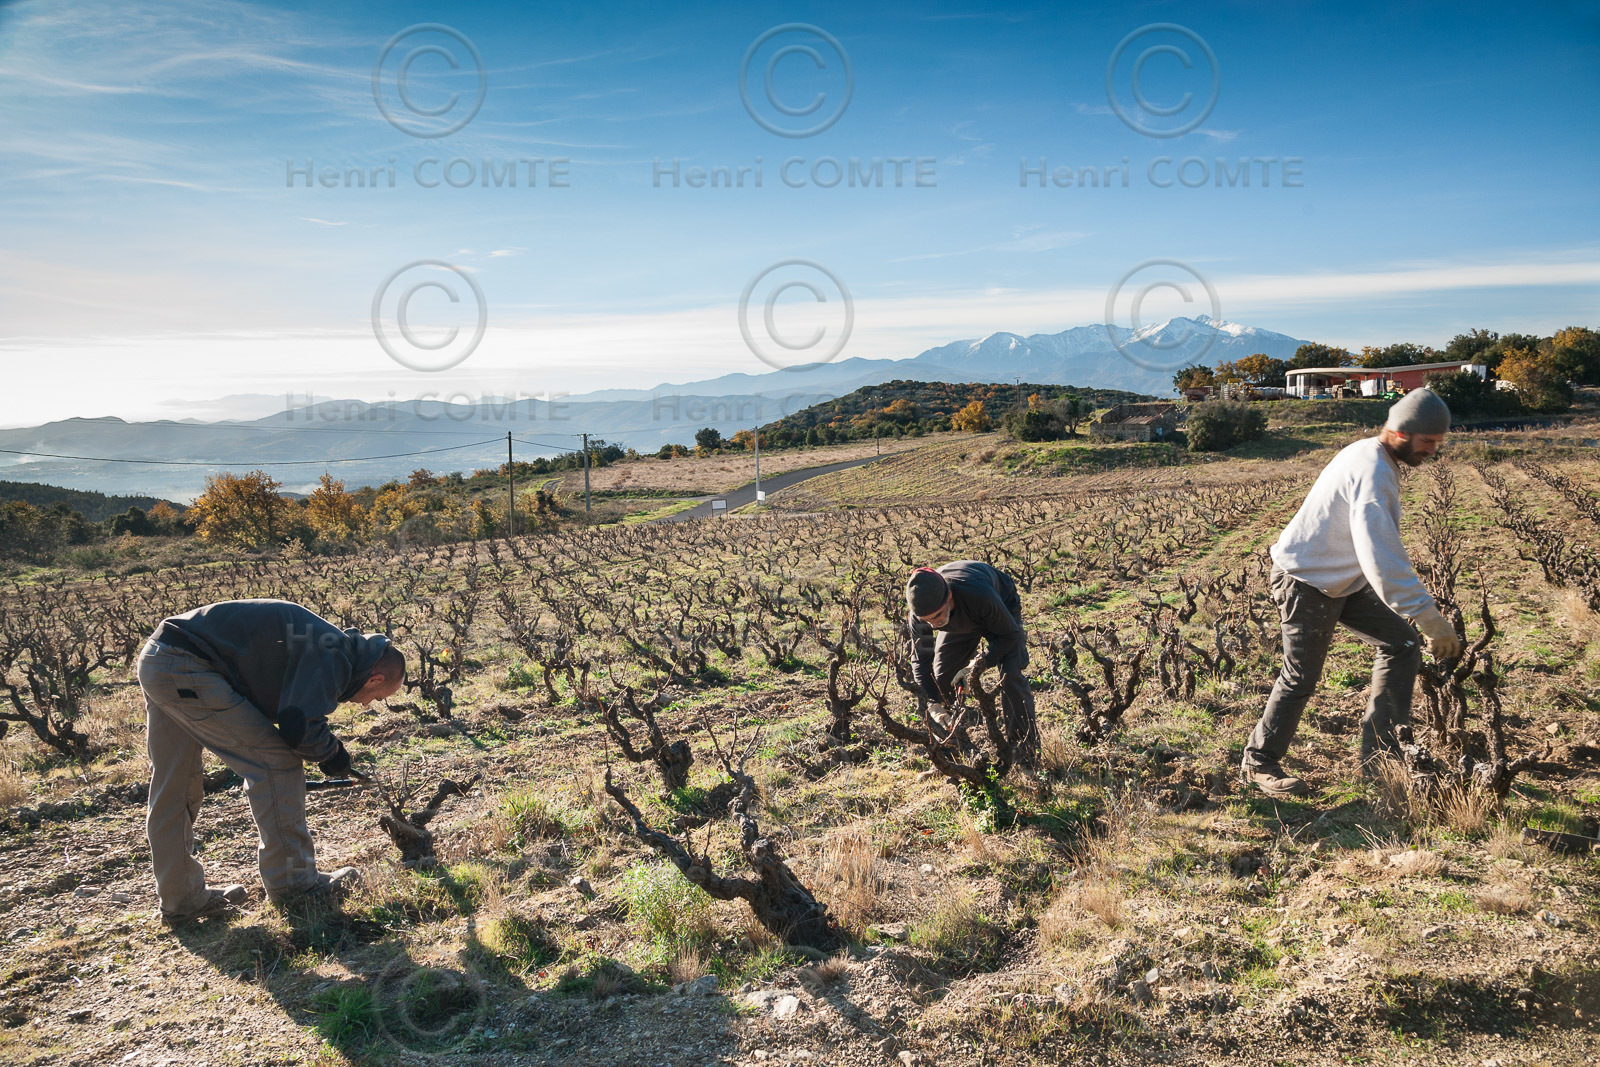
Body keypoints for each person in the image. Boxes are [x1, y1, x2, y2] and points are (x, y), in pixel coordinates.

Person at [1240, 388, 1463, 798]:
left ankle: (1381, 758)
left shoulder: (1372, 454)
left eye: (1438, 442)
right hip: (1306, 581)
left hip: (1343, 580)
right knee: (1300, 676)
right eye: (1428, 442)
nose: (1433, 451)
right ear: (1400, 432)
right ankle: (1259, 764)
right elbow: (1382, 554)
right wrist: (1429, 616)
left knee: (1400, 643)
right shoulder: (1373, 470)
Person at [137, 598, 405, 923]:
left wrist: (325, 751)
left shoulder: (333, 645)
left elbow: (293, 709)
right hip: (189, 666)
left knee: (174, 785)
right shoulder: (334, 655)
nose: (367, 705)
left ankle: (182, 899)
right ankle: (295, 887)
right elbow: (297, 725)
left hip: (159, 657)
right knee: (277, 763)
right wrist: (333, 755)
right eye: (377, 698)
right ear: (374, 679)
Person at [905, 560, 1037, 760]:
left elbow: (1009, 634)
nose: (933, 626)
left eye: (937, 616)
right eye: (927, 621)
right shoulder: (921, 614)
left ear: (949, 596)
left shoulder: (979, 593)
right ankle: (951, 756)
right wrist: (932, 703)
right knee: (943, 681)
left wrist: (976, 665)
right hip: (959, 621)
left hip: (1001, 610)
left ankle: (1025, 756)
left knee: (1010, 676)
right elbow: (921, 662)